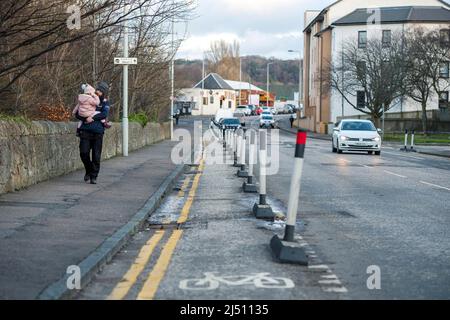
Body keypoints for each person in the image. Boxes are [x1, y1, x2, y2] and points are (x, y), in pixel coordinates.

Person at [75, 81, 110, 185]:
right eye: (98, 90)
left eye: (101, 91)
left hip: (98, 132)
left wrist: (93, 117)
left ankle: (94, 176)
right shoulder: (87, 98)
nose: (98, 92)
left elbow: (104, 114)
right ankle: (88, 170)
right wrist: (85, 118)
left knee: (96, 155)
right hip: (85, 131)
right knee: (83, 153)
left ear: (104, 93)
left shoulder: (105, 102)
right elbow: (77, 113)